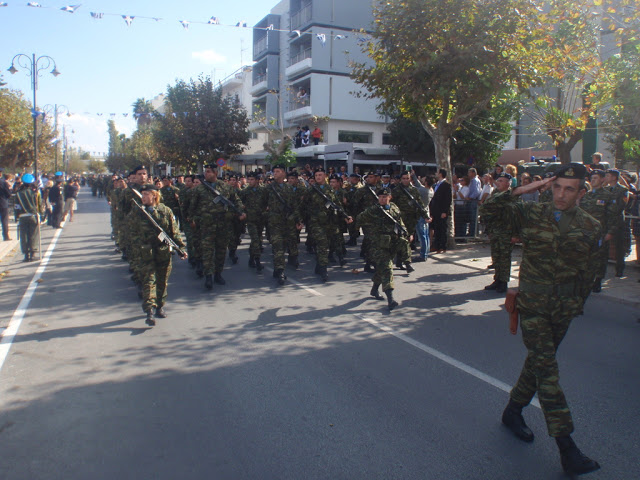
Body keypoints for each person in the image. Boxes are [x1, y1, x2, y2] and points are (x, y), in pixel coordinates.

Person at [500, 164, 601, 477]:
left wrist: (575, 305)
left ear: (582, 193)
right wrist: (523, 189)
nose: (561, 194)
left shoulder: (590, 225)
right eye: (557, 187)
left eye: (569, 189)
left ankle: (513, 411)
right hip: (532, 304)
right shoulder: (533, 214)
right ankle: (566, 447)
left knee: (537, 363)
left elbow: (590, 272)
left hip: (563, 309)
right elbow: (490, 211)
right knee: (547, 371)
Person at [127, 184, 187, 325]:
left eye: (147, 194)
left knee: (162, 281)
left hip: (163, 252)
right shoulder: (137, 212)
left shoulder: (165, 211)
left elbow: (174, 232)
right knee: (149, 281)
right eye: (142, 194)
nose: (143, 197)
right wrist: (139, 246)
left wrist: (181, 248)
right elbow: (131, 231)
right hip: (145, 252)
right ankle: (150, 311)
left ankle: (160, 306)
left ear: (154, 195)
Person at [187, 164, 245, 290]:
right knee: (207, 251)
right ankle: (208, 276)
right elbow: (192, 206)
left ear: (216, 172)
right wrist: (191, 219)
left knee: (221, 251)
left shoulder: (225, 187)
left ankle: (218, 274)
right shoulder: (199, 189)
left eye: (209, 172)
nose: (206, 174)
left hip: (223, 225)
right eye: (205, 172)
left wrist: (240, 211)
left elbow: (237, 201)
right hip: (206, 225)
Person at [357, 187, 411, 311]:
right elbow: (359, 219)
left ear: (389, 197)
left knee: (383, 268)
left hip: (392, 243)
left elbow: (400, 222)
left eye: (384, 197)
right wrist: (370, 233)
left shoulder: (394, 208)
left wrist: (406, 232)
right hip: (378, 245)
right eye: (380, 197)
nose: (382, 199)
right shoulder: (373, 210)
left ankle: (374, 289)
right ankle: (390, 299)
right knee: (387, 269)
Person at [304, 168, 352, 282]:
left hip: (330, 221)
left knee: (332, 242)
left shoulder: (330, 190)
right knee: (322, 245)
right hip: (316, 222)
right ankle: (324, 270)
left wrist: (345, 216)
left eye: (320, 175)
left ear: (325, 176)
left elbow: (337, 204)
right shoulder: (310, 191)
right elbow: (303, 206)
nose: (318, 177)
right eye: (316, 175)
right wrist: (301, 221)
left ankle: (319, 266)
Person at [264, 164, 302, 285]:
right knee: (278, 247)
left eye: (278, 171)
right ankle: (280, 271)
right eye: (274, 171)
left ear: (284, 174)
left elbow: (295, 207)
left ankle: (278, 268)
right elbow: (261, 206)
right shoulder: (268, 189)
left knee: (285, 245)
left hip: (288, 223)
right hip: (275, 223)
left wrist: (298, 221)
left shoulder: (289, 188)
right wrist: (267, 217)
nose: (275, 173)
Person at [478, 172, 516, 293]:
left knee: (504, 257)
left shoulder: (511, 195)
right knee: (496, 256)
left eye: (501, 181)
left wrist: (515, 234)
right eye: (498, 181)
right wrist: (488, 230)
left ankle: (503, 282)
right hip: (495, 230)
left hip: (506, 231)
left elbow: (515, 216)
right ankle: (497, 279)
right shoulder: (495, 193)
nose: (498, 183)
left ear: (508, 183)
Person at [579, 170, 615, 292]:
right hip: (586, 232)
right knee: (586, 256)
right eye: (592, 178)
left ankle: (598, 280)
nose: (592, 180)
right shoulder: (587, 195)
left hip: (601, 232)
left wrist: (610, 232)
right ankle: (585, 279)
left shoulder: (608, 196)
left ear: (602, 180)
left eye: (595, 178)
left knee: (600, 257)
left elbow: (613, 216)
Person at [239, 171, 268, 272]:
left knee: (258, 240)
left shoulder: (264, 190)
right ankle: (257, 261)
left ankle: (251, 259)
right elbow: (239, 203)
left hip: (261, 219)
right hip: (250, 220)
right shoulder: (245, 192)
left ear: (257, 180)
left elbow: (268, 202)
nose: (249, 181)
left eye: (252, 179)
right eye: (249, 179)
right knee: (255, 239)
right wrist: (242, 211)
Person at [604, 169, 630, 277]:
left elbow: (621, 206)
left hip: (618, 221)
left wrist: (609, 209)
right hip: (606, 221)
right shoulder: (605, 189)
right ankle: (602, 268)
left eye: (608, 176)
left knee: (619, 246)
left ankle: (619, 269)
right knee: (604, 246)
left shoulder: (623, 190)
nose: (606, 178)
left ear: (614, 177)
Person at [14, 174, 44, 262]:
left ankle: (26, 255)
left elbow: (16, 207)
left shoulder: (18, 194)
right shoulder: (35, 193)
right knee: (33, 235)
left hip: (22, 216)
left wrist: (16, 217)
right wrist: (41, 215)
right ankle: (33, 253)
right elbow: (39, 205)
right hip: (33, 216)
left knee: (24, 236)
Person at [429, 168, 452, 253]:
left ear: (441, 174)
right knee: (436, 229)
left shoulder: (446, 185)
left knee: (442, 229)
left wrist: (445, 211)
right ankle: (436, 245)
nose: (436, 174)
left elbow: (447, 199)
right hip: (435, 210)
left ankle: (443, 246)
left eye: (437, 172)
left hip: (442, 211)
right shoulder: (436, 184)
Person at [0, 171, 14, 241]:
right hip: (3, 203)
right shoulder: (3, 182)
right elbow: (8, 194)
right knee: (4, 220)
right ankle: (5, 236)